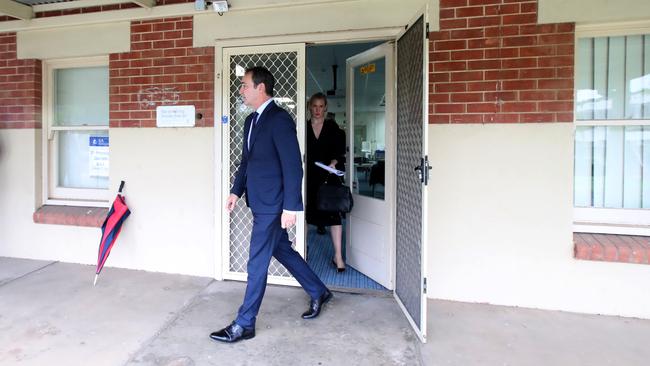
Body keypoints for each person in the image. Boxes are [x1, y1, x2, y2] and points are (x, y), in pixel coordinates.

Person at [210, 67, 332, 344]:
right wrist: (235, 191)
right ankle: (318, 290)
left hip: (274, 205)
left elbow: (293, 166)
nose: (241, 90)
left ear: (260, 88)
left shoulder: (279, 119)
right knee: (283, 251)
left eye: (244, 85)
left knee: (256, 263)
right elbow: (247, 161)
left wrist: (291, 207)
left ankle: (244, 323)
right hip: (259, 200)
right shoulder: (250, 121)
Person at [305, 92, 347, 272]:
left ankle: (338, 256)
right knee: (306, 214)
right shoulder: (304, 128)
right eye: (314, 106)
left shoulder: (333, 128)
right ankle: (303, 252)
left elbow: (340, 152)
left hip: (329, 178)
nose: (317, 110)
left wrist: (334, 162)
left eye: (321, 106)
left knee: (334, 216)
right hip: (309, 178)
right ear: (309, 107)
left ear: (326, 108)